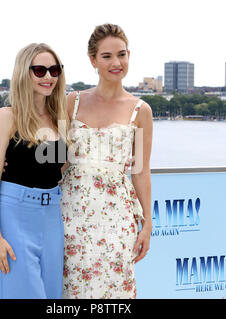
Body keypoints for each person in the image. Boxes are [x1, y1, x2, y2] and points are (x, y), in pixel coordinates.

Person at [60, 23, 153, 299]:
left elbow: (141, 171)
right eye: (107, 56)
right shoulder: (72, 102)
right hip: (71, 215)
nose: (116, 62)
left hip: (117, 219)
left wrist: (147, 222)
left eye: (122, 54)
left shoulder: (141, 110)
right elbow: (55, 160)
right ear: (93, 60)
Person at [0, 43, 69, 299]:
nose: (48, 77)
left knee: (52, 296)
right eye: (40, 70)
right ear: (24, 72)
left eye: (54, 70)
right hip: (15, 215)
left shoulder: (59, 118)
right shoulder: (6, 117)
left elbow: (59, 168)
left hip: (52, 216)